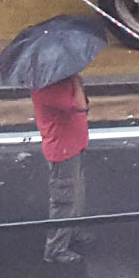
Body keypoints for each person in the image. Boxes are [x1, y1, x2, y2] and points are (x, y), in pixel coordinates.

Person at [33, 72, 91, 263]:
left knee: (76, 193)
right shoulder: (48, 89)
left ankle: (72, 230)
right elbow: (82, 105)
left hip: (74, 145)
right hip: (62, 150)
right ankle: (56, 248)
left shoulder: (60, 83)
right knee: (64, 199)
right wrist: (76, 80)